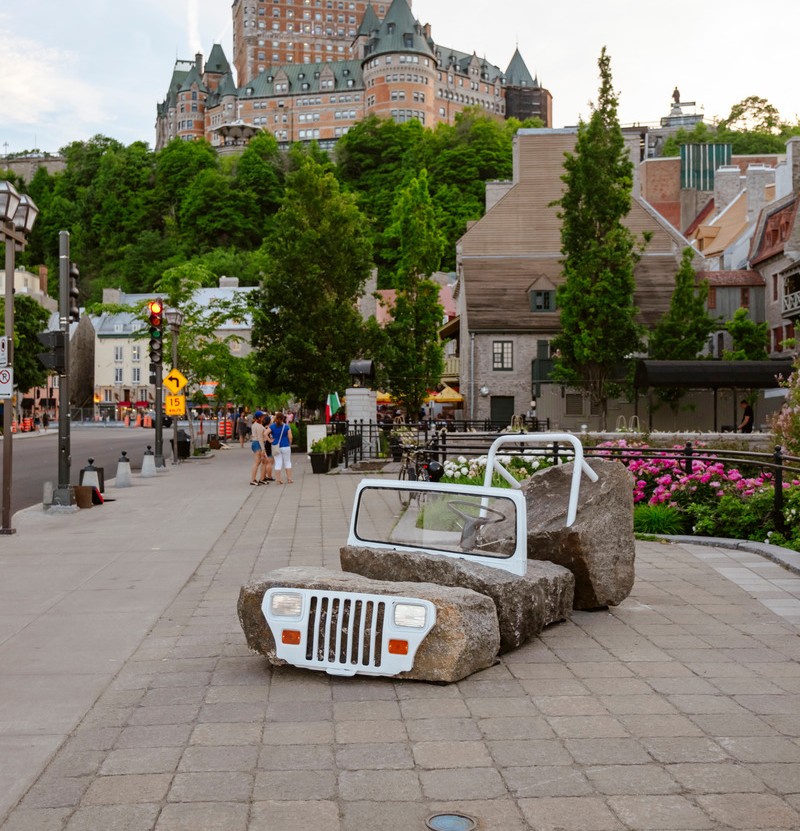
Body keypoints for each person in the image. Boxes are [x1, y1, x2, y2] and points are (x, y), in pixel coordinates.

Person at [270, 411, 294, 484]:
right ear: (283, 418)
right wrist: (290, 443)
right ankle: (289, 479)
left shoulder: (272, 426)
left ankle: (278, 479)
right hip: (285, 446)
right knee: (287, 462)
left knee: (278, 463)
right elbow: (290, 437)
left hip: (276, 446)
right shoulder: (286, 426)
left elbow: (265, 433)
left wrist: (270, 440)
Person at [249, 411, 272, 485]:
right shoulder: (258, 426)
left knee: (264, 461)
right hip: (258, 444)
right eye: (262, 417)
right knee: (257, 462)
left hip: (256, 443)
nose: (263, 418)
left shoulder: (256, 425)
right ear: (259, 417)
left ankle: (262, 478)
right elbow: (260, 438)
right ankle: (253, 479)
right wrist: (263, 449)